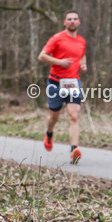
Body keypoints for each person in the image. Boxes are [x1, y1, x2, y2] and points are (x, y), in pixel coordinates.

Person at [38, 10, 88, 164]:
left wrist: (83, 64)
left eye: (75, 19)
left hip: (73, 82)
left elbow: (82, 55)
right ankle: (49, 132)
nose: (72, 21)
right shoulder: (57, 38)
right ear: (65, 22)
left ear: (79, 22)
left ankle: (74, 149)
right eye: (69, 19)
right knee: (55, 117)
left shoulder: (82, 41)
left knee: (73, 115)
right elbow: (42, 56)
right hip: (55, 82)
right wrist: (59, 62)